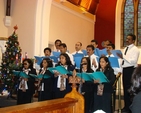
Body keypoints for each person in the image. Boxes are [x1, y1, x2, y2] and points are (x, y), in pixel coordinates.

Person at [117, 33, 140, 113]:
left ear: (133, 41)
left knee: (130, 89)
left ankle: (130, 106)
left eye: (129, 39)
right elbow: (124, 61)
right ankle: (126, 106)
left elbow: (133, 61)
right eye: (126, 38)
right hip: (125, 70)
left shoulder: (135, 49)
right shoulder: (126, 48)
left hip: (131, 70)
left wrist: (123, 56)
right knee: (125, 89)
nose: (127, 40)